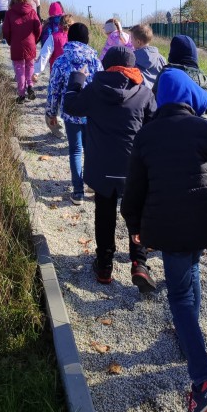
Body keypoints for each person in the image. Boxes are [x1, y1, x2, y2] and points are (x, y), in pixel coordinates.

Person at [122, 68, 207, 412]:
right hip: (204, 222)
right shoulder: (205, 129)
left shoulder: (146, 136)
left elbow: (134, 191)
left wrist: (135, 229)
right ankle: (189, 331)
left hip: (169, 227)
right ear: (190, 98)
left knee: (178, 295)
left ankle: (203, 383)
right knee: (191, 270)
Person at [63, 46, 157, 289]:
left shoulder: (94, 90)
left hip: (102, 167)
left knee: (104, 216)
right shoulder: (144, 93)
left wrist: (78, 78)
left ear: (106, 65)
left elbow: (71, 106)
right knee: (136, 214)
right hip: (134, 168)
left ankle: (104, 266)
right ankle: (140, 264)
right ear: (133, 67)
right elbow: (153, 126)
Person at [46, 23, 103, 204]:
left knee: (75, 150)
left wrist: (51, 112)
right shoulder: (95, 61)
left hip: (70, 113)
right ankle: (92, 183)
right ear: (87, 39)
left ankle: (78, 192)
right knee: (91, 149)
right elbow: (101, 88)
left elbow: (54, 89)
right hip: (92, 113)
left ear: (69, 38)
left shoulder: (61, 61)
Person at [153, 35, 207, 142]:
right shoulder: (206, 81)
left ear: (172, 54)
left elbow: (153, 108)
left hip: (166, 138)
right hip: (199, 140)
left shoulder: (165, 76)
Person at [2, 0, 41, 103]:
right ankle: (30, 85)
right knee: (30, 65)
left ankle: (21, 94)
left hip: (16, 44)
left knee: (19, 68)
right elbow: (38, 28)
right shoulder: (32, 12)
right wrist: (35, 40)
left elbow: (6, 30)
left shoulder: (9, 13)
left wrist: (10, 41)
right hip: (30, 43)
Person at [33, 9, 73, 80]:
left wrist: (36, 72)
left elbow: (45, 54)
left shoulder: (53, 37)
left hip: (55, 73)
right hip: (70, 75)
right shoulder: (74, 38)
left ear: (59, 24)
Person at [130, 24, 166, 89]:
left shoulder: (131, 60)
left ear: (138, 42)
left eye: (131, 39)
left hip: (142, 96)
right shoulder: (161, 59)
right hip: (158, 95)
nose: (130, 41)